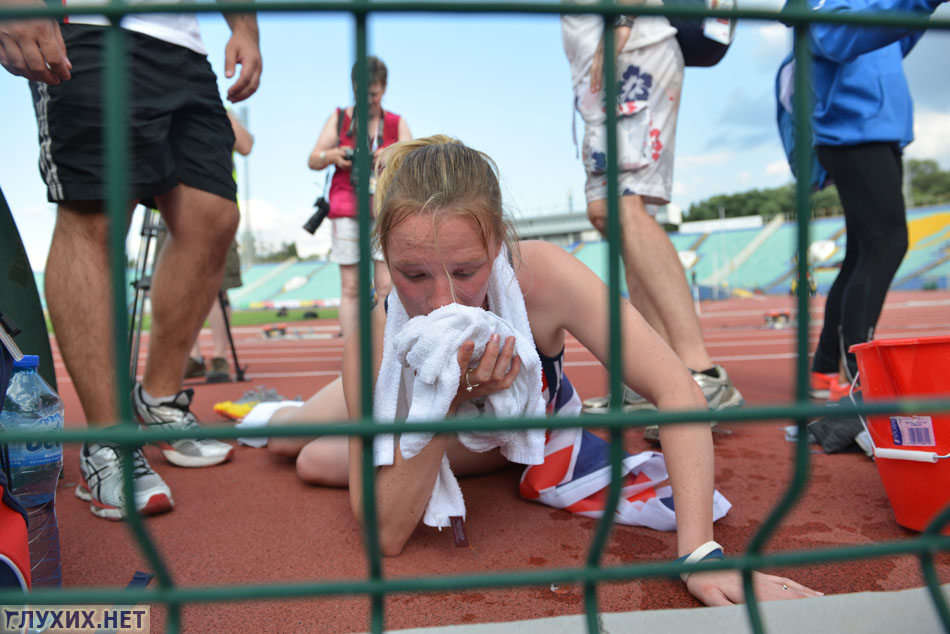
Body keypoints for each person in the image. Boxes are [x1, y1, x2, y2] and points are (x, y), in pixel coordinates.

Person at [261, 135, 821, 606]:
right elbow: (386, 535)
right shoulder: (375, 340)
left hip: (498, 440)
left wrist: (700, 554)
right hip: (414, 412)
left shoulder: (544, 275)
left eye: (466, 268)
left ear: (499, 244)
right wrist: (447, 400)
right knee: (292, 445)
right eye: (413, 274)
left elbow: (677, 389)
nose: (441, 300)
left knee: (317, 461)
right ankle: (265, 409)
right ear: (383, 253)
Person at [0, 0, 262, 519]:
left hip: (182, 44)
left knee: (212, 217)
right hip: (87, 25)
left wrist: (245, 28)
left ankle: (159, 399)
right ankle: (108, 439)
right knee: (94, 213)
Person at [560, 9, 744, 427]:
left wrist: (621, 21)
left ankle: (702, 374)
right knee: (608, 212)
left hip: (632, 50)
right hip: (608, 64)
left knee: (622, 206)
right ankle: (658, 379)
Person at [785, 0, 947, 401]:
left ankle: (826, 367)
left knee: (863, 253)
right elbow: (837, 37)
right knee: (887, 243)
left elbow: (893, 39)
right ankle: (859, 376)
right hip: (853, 134)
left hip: (877, 129)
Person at [307, 56, 411, 340]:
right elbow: (313, 159)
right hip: (347, 208)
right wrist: (332, 155)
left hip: (383, 209)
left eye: (374, 93)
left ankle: (386, 347)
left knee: (386, 285)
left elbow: (416, 158)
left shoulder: (395, 123)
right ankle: (352, 351)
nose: (368, 99)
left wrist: (391, 154)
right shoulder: (340, 117)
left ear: (384, 88)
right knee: (351, 287)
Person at [182, 110, 254, 383]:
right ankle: (191, 357)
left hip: (216, 198)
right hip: (176, 201)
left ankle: (220, 356)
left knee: (217, 288)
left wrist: (218, 112)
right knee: (180, 287)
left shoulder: (217, 109)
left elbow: (245, 144)